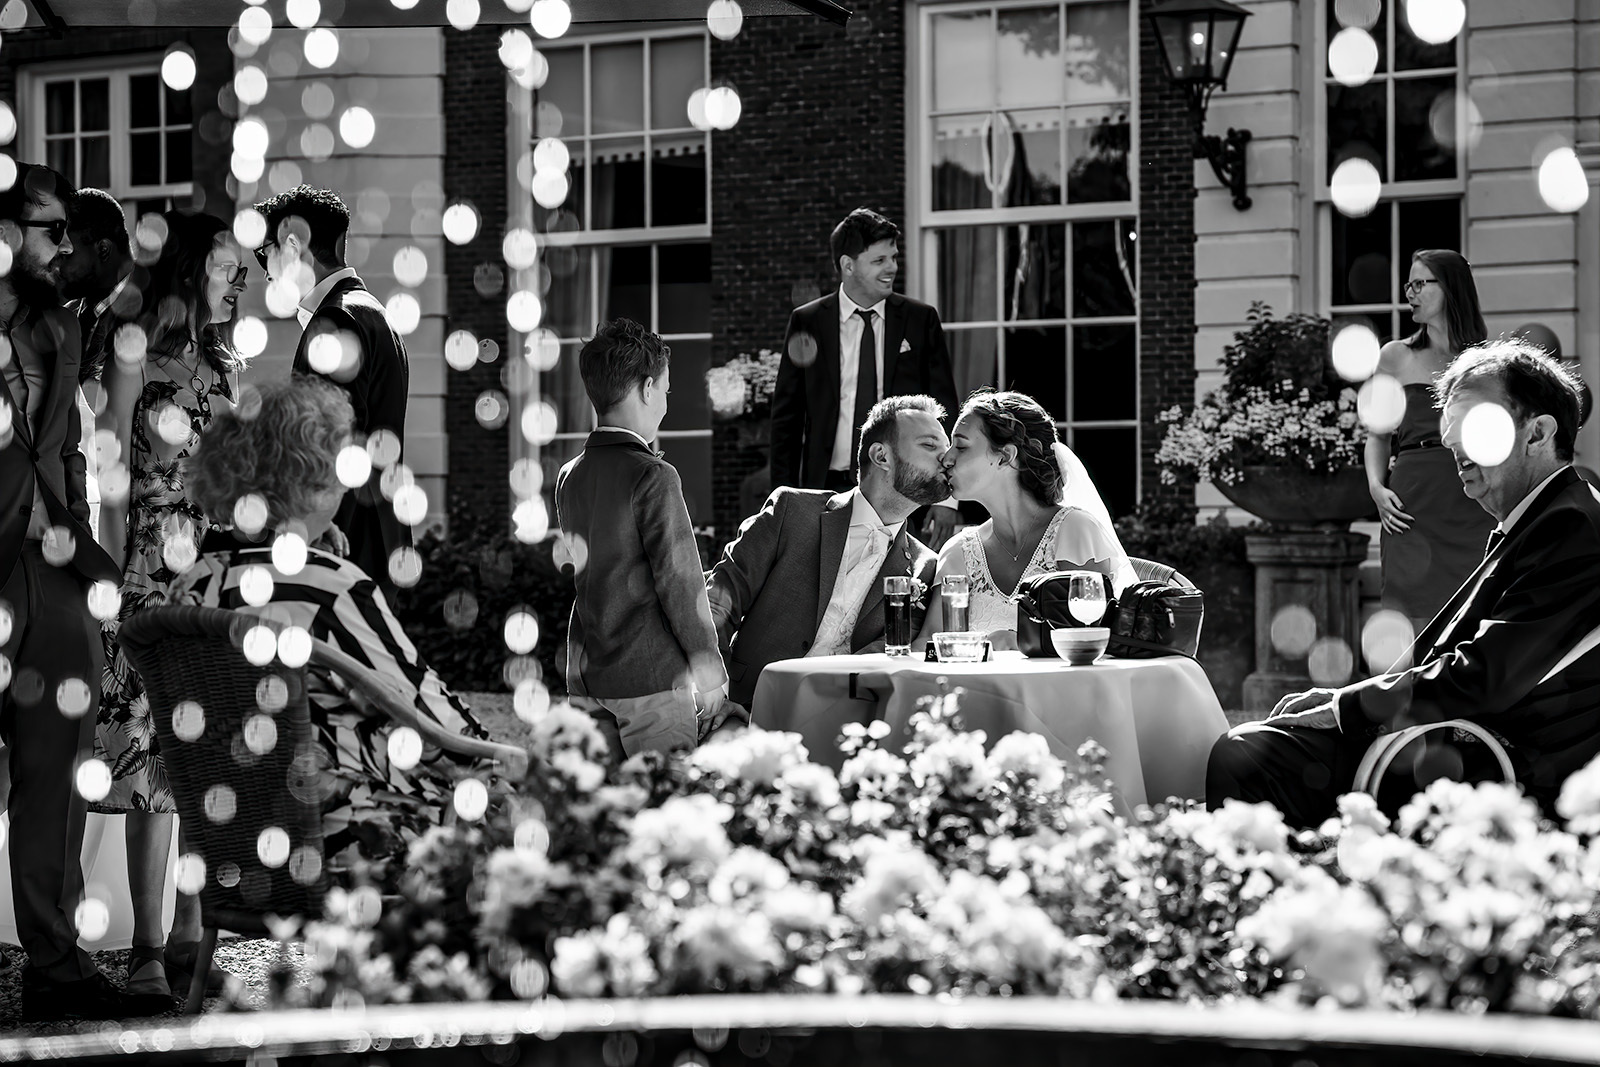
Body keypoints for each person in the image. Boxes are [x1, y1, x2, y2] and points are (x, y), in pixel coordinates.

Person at [1209, 340, 1600, 828]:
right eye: (1450, 429)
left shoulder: (1570, 524)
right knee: (1258, 745)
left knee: (1245, 755)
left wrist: (1346, 707)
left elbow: (1482, 675)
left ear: (1538, 433)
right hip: (1450, 741)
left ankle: (1257, 873)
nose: (1452, 445)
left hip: (1487, 765)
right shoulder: (1544, 517)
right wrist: (1350, 699)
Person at [172, 375, 489, 859]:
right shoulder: (330, 588)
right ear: (312, 484)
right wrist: (500, 758)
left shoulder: (192, 586)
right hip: (345, 837)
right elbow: (424, 706)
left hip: (230, 836)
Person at [90, 210, 248, 1010]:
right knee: (145, 766)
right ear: (189, 270)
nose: (238, 283)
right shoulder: (133, 355)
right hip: (146, 572)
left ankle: (193, 934)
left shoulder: (226, 367)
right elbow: (111, 478)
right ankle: (147, 949)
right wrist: (117, 583)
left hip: (213, 575)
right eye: (225, 268)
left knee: (204, 759)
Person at [0, 162, 127, 1021]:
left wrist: (81, 547)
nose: (64, 246)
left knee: (56, 774)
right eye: (51, 230)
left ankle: (55, 962)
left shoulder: (61, 327)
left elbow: (68, 450)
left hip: (52, 569)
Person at [555, 318, 733, 760]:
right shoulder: (654, 476)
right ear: (648, 388)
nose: (666, 404)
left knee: (601, 798)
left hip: (586, 672)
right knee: (661, 797)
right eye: (667, 390)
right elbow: (680, 582)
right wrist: (708, 667)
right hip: (651, 678)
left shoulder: (569, 476)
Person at [707, 395, 946, 711]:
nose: (946, 458)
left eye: (947, 448)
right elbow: (717, 603)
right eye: (930, 446)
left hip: (844, 719)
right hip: (744, 706)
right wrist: (716, 694)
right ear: (881, 456)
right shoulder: (791, 511)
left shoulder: (925, 566)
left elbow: (889, 655)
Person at [253, 184, 411, 595]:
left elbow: (329, 448)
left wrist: (306, 535)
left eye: (263, 253)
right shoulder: (376, 314)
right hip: (378, 542)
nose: (265, 272)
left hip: (341, 546)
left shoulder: (336, 320)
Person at [770, 208, 961, 545]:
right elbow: (787, 420)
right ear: (848, 265)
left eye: (893, 258)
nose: (892, 268)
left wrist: (947, 497)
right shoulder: (808, 322)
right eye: (879, 260)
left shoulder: (920, 320)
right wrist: (782, 503)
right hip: (826, 490)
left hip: (906, 490)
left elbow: (943, 410)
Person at [914, 390, 1135, 651]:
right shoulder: (958, 552)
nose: (947, 458)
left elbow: (1090, 638)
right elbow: (928, 642)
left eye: (961, 446)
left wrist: (1015, 642)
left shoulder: (1074, 531)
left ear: (1005, 456)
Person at [1366, 249, 1495, 630]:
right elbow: (1377, 436)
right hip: (1412, 504)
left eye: (1420, 283)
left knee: (1473, 622)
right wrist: (1375, 488)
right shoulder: (1394, 356)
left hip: (1473, 501)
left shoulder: (1486, 362)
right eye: (1409, 285)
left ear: (1451, 288)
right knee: (1411, 624)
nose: (1410, 293)